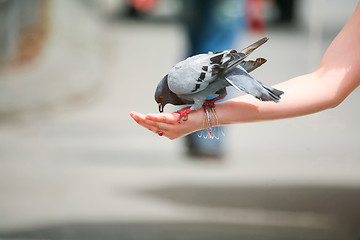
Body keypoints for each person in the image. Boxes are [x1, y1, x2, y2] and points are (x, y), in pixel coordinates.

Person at [130, 1, 360, 141]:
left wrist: (194, 116)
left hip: (223, 67)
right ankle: (208, 142)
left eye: (162, 100)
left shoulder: (176, 83)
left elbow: (329, 83)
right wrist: (199, 120)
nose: (163, 102)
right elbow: (328, 82)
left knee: (207, 34)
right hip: (221, 67)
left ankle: (208, 143)